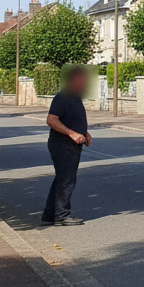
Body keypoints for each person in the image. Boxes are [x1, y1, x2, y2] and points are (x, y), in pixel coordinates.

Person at [42, 65, 92, 226]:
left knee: (61, 179)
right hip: (63, 144)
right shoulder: (63, 97)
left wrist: (85, 133)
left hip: (70, 144)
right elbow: (51, 120)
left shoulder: (74, 97)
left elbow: (72, 119)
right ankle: (62, 216)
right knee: (67, 180)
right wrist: (72, 133)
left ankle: (51, 214)